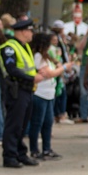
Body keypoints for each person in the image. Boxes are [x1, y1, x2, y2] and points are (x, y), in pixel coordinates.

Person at [0, 17, 42, 168]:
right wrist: (32, 77)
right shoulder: (9, 47)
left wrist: (37, 74)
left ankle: (20, 153)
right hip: (16, 89)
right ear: (22, 32)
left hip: (27, 89)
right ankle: (9, 156)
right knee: (14, 124)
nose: (32, 34)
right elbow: (12, 69)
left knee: (23, 124)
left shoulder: (24, 46)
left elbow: (27, 67)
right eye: (30, 31)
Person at [28, 32, 71, 160]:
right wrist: (63, 67)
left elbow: (52, 69)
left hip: (49, 94)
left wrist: (58, 64)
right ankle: (34, 149)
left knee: (48, 122)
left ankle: (47, 148)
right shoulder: (37, 57)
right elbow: (49, 73)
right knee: (37, 122)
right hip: (40, 93)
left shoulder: (46, 57)